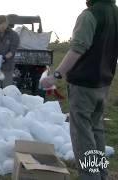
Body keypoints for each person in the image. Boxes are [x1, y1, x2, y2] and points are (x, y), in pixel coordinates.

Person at [41, 0, 118, 179]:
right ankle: (100, 174)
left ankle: (90, 176)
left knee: (82, 133)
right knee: (96, 129)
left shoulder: (90, 15)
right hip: (103, 84)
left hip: (84, 85)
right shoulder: (115, 13)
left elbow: (77, 49)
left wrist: (56, 76)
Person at [0, 15, 19, 88]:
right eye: (0, 26)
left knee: (7, 89)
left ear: (7, 23)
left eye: (4, 25)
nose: (2, 27)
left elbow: (12, 51)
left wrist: (4, 58)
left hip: (8, 67)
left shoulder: (14, 35)